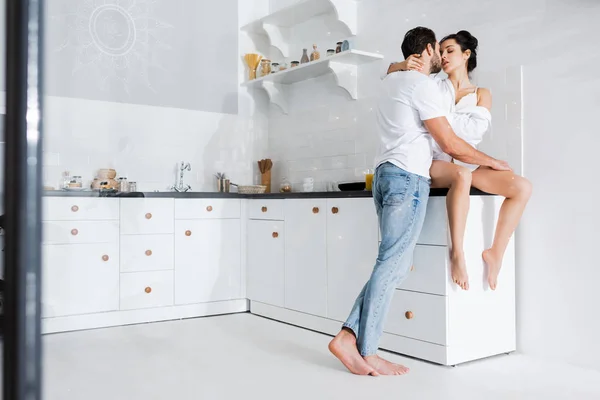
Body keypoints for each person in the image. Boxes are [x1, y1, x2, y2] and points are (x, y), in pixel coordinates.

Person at [328, 27, 511, 377]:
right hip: (407, 179)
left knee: (393, 263)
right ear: (427, 50)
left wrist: (397, 64)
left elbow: (390, 74)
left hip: (384, 176)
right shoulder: (423, 86)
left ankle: (348, 336)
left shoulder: (389, 82)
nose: (441, 57)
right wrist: (491, 161)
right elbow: (451, 143)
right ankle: (368, 350)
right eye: (437, 50)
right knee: (391, 264)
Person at [387, 31, 533, 290]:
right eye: (440, 51)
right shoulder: (431, 85)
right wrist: (401, 64)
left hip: (466, 165)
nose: (443, 56)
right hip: (433, 164)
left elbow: (471, 133)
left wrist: (443, 125)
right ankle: (457, 252)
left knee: (522, 187)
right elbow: (390, 72)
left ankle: (496, 253)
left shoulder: (481, 94)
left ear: (466, 55)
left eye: (450, 50)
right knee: (461, 175)